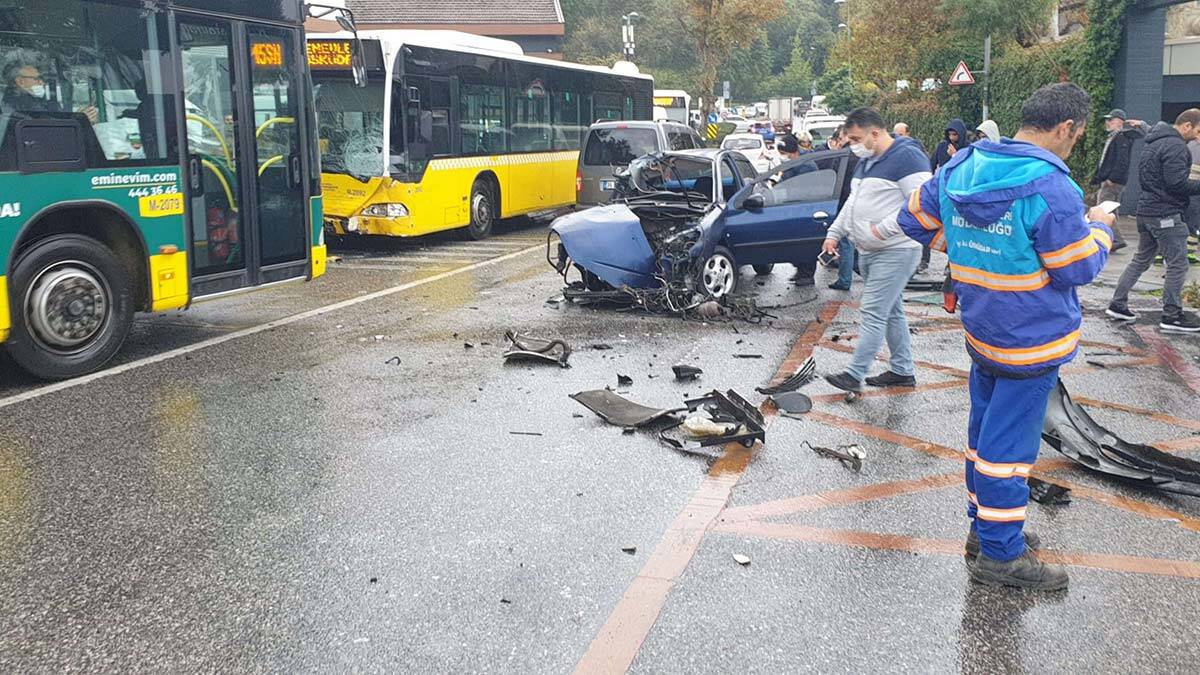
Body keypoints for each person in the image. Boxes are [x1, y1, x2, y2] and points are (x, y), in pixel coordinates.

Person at [888, 82, 1114, 591]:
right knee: (1008, 450)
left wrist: (966, 250)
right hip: (1031, 340)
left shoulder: (963, 166)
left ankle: (985, 531)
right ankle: (1001, 556)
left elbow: (912, 218)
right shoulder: (1052, 188)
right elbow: (1076, 267)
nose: (1072, 146)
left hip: (983, 329)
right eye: (1075, 138)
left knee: (983, 436)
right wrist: (1100, 228)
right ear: (1065, 129)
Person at [821, 107, 931, 392]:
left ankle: (854, 374)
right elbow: (853, 203)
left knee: (872, 311)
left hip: (896, 250)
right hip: (869, 251)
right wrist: (834, 233)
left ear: (875, 132)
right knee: (892, 311)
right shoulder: (867, 161)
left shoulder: (908, 157)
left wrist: (882, 229)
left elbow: (921, 203)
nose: (853, 145)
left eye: (856, 138)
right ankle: (902, 371)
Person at [1107, 108, 1200, 332]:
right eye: (1198, 130)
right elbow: (1177, 183)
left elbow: (1154, 133)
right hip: (1165, 214)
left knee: (1140, 259)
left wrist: (1143, 124)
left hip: (1146, 211)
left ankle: (1117, 304)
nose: (1198, 136)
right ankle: (1171, 315)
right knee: (1178, 264)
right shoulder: (1176, 146)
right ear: (1186, 126)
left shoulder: (1155, 140)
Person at [1093, 109, 1149, 252]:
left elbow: (1122, 161)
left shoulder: (1121, 137)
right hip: (1109, 180)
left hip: (1112, 181)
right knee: (1111, 210)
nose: (1108, 122)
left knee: (1103, 209)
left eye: (1111, 120)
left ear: (1119, 122)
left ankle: (1117, 240)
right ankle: (1115, 239)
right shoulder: (1114, 137)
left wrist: (1112, 178)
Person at [2, 53, 97, 123]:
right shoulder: (14, 105)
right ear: (20, 82)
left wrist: (77, 117)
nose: (42, 82)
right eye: (37, 79)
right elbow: (44, 129)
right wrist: (78, 120)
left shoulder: (37, 102)